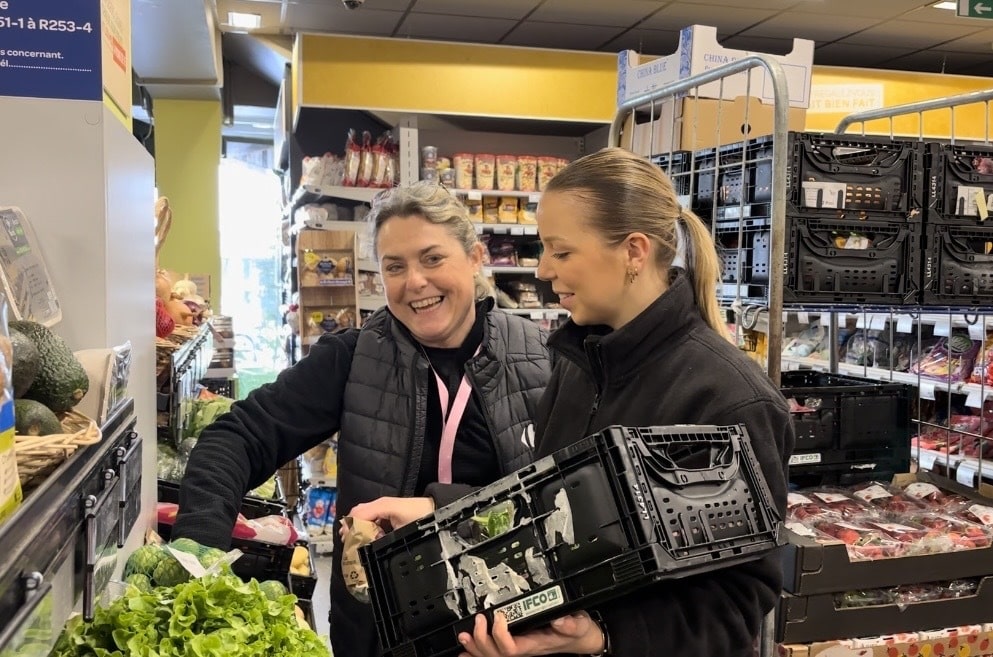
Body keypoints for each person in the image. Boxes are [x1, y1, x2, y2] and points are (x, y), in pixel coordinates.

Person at [170, 181, 551, 657]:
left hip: (503, 633)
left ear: (475, 258)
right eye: (395, 266)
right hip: (379, 636)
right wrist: (198, 551)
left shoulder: (539, 359)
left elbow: (561, 496)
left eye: (432, 258)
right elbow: (238, 435)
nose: (415, 281)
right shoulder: (355, 359)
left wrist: (442, 508)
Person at [458, 147, 795, 657]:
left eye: (561, 251)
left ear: (634, 251)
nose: (544, 269)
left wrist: (606, 638)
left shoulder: (727, 400)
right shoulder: (579, 364)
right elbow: (549, 511)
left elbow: (737, 600)